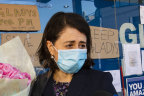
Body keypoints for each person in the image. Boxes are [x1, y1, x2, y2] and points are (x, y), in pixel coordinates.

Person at [29, 12, 117, 96]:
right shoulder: (38, 84)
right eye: (69, 45)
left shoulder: (101, 81)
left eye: (82, 45)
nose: (77, 51)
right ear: (51, 48)